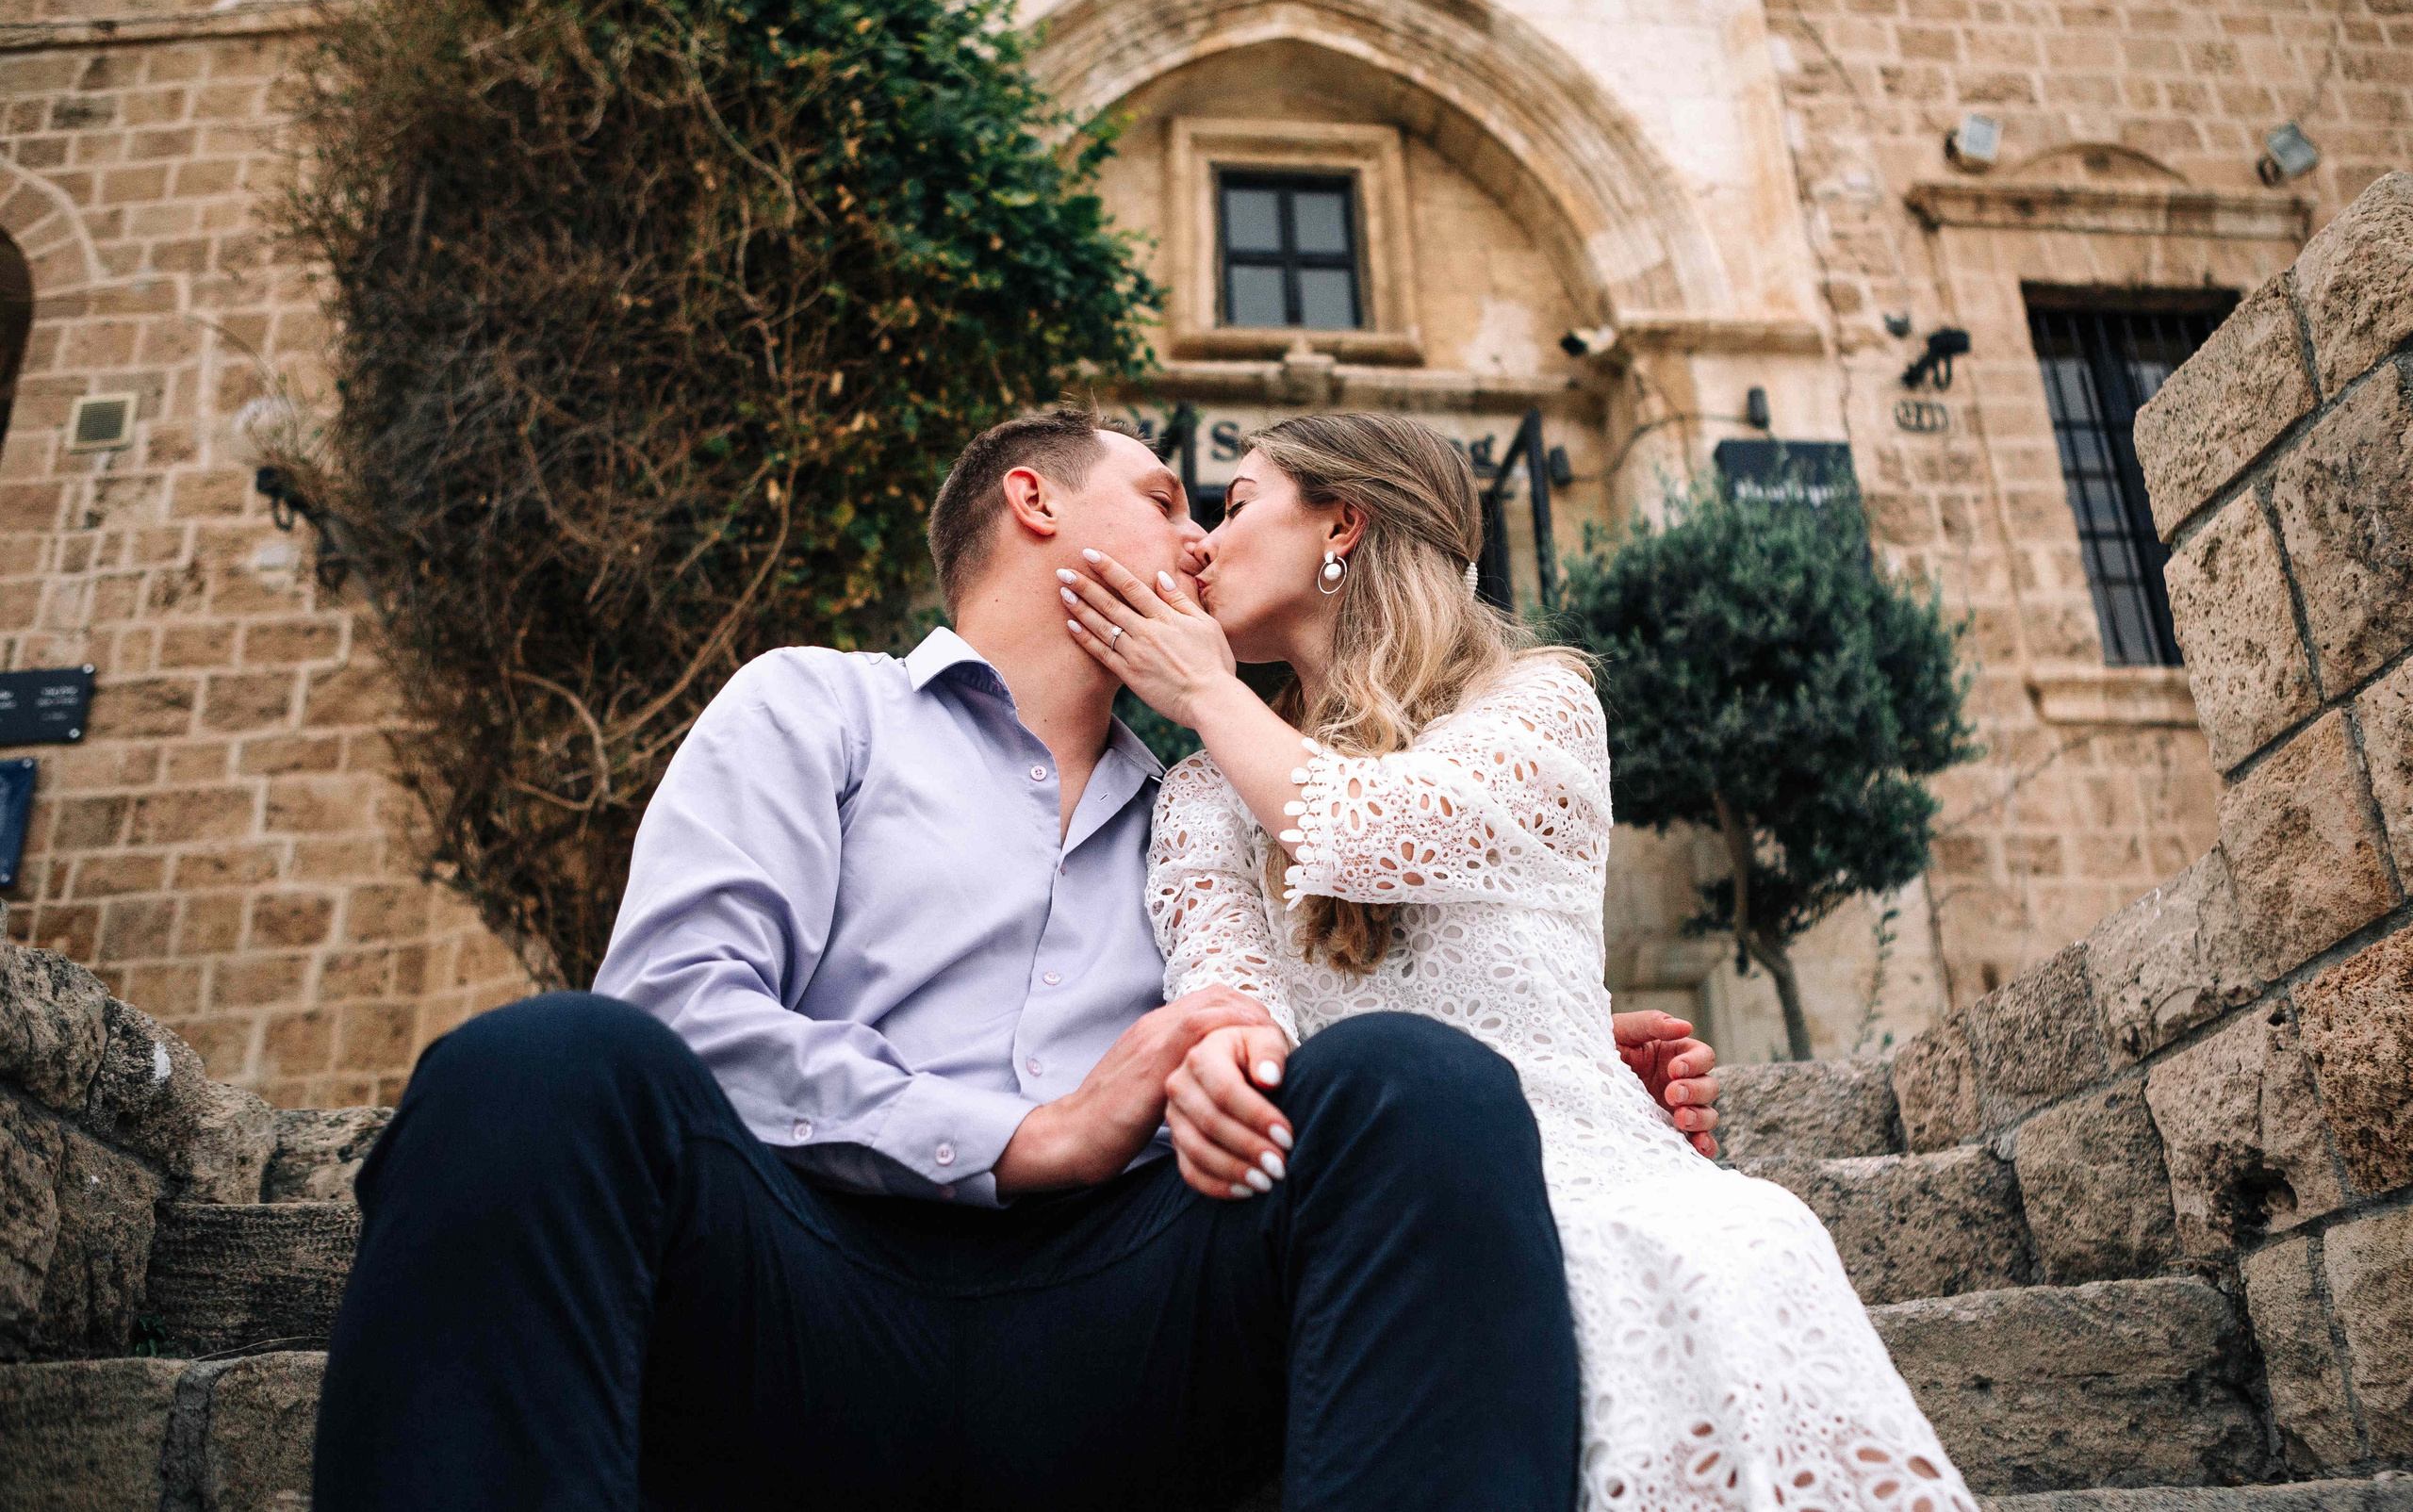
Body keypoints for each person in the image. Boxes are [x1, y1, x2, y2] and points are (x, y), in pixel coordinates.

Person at [312, 400, 1722, 1511]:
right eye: (1168, 501)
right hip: (800, 1282)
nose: (1200, 544)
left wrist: (1540, 1045)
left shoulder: (1203, 802)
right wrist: (1015, 1137)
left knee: (1425, 1085)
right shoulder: (819, 710)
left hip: (1127, 1314)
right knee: (539, 1064)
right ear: (1035, 503)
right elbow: (678, 1009)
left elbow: (1287, 1018)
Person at [1058, 410, 1978, 1512]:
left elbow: (1368, 830)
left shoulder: (1540, 706)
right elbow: (1226, 981)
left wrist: (1204, 691)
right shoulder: (1203, 791)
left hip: (1597, 1158)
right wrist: (1220, 1055)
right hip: (1381, 1190)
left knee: (1733, 1239)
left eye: (1236, 503)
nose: (1203, 543)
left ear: (1342, 523)